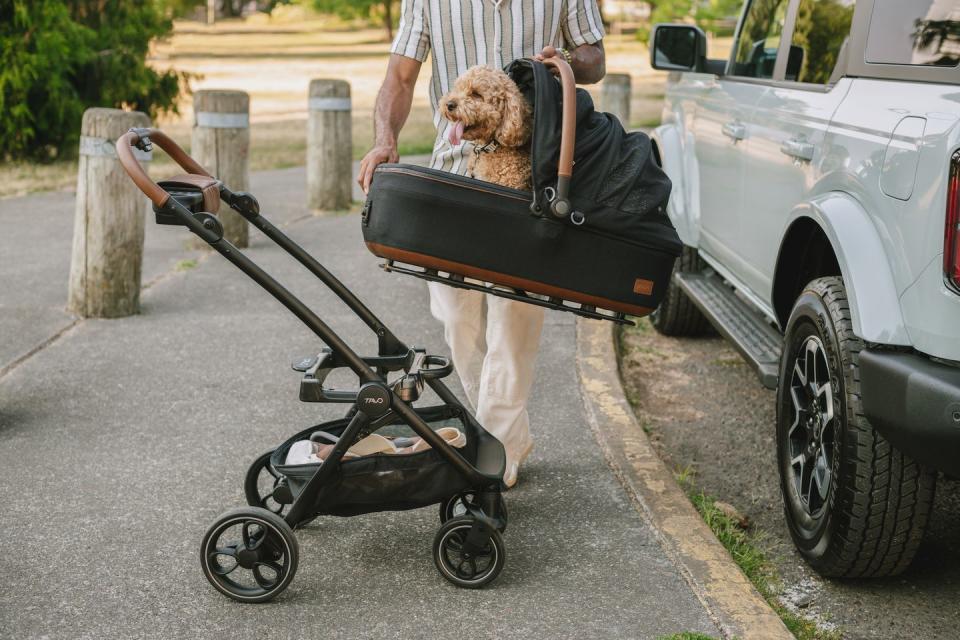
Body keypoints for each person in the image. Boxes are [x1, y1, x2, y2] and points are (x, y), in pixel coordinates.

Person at [358, 0, 606, 487]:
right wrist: (386, 138)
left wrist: (565, 62)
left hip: (533, 178)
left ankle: (497, 455)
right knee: (458, 325)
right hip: (453, 173)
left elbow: (595, 57)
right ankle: (503, 435)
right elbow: (401, 78)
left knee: (514, 325)